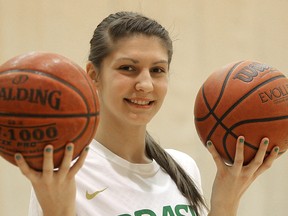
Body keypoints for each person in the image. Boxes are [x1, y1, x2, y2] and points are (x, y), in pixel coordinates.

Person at [14, 11, 279, 216]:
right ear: (93, 75)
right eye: (128, 68)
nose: (145, 84)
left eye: (157, 70)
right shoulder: (65, 171)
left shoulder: (183, 168)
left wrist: (226, 201)